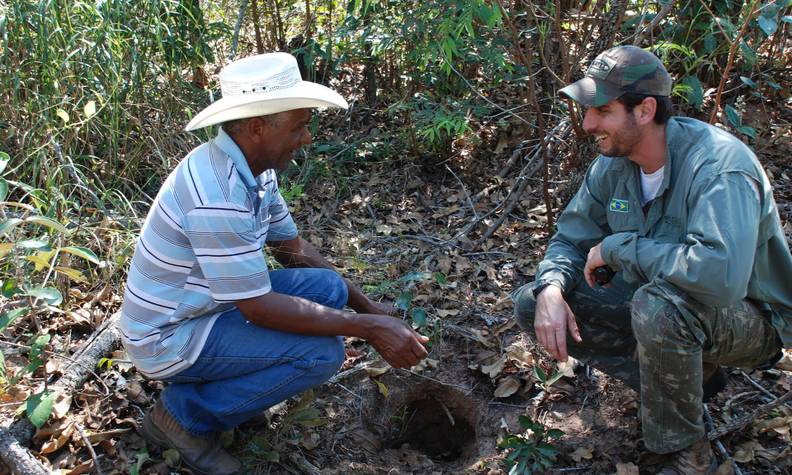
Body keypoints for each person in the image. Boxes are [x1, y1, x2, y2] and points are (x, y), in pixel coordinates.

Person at [119, 53, 429, 475]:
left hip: (207, 308)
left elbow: (291, 247)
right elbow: (259, 308)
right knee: (320, 355)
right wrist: (369, 329)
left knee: (328, 289)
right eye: (298, 126)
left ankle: (224, 386)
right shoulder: (218, 194)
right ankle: (182, 416)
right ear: (257, 127)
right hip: (169, 337)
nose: (306, 138)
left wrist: (368, 308)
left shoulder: (253, 167)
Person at [511, 45, 792, 474]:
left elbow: (720, 278)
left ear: (644, 110)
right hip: (668, 306)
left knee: (658, 307)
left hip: (753, 318)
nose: (588, 124)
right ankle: (687, 380)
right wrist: (551, 287)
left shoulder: (718, 166)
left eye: (601, 110)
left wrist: (620, 248)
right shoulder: (613, 167)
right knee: (532, 303)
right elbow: (570, 239)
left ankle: (684, 451)